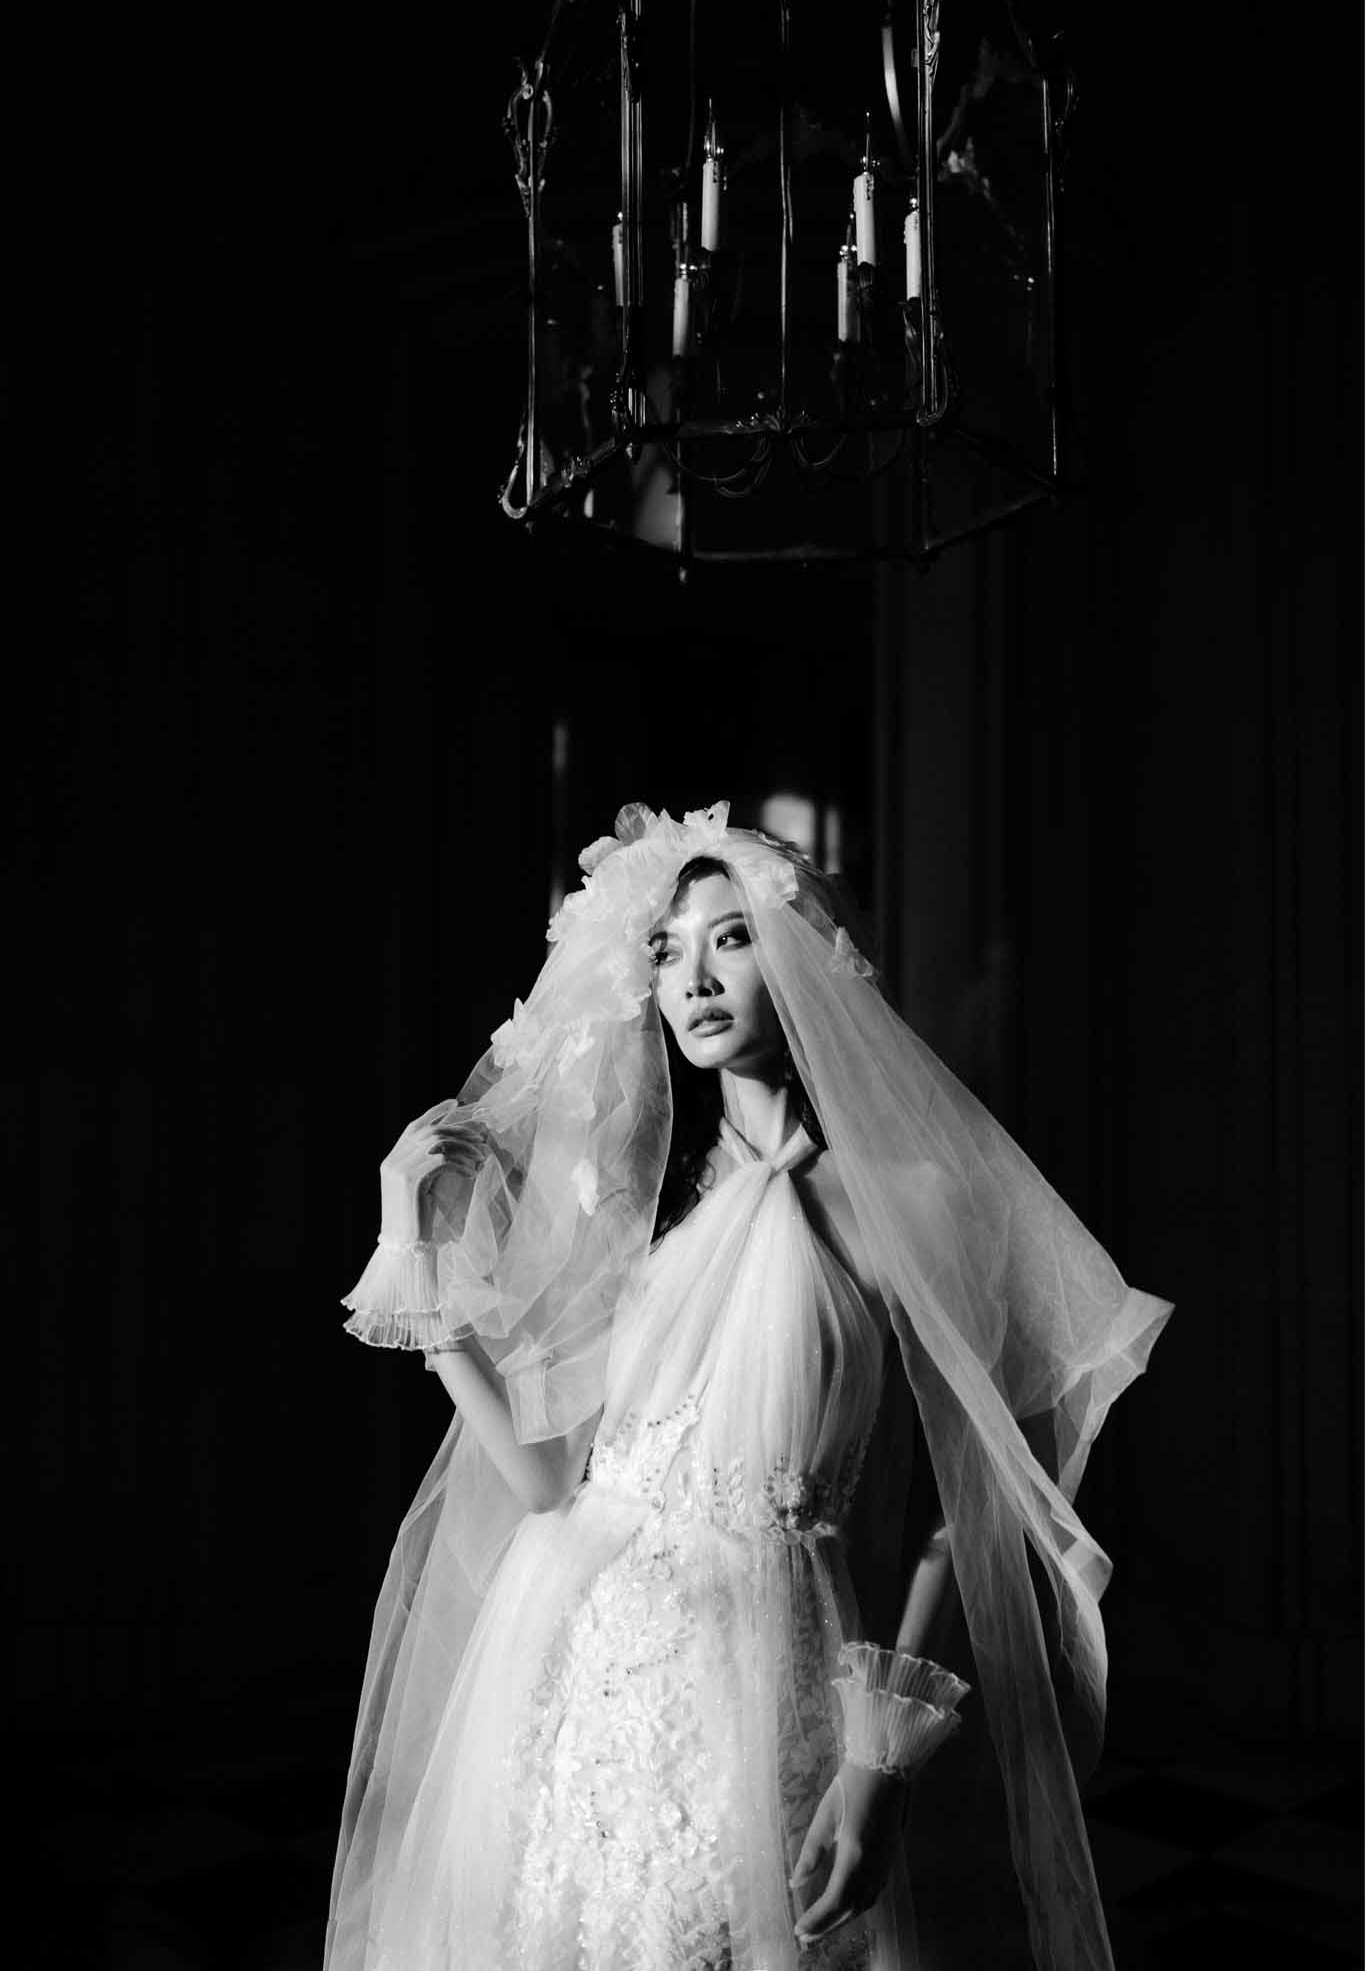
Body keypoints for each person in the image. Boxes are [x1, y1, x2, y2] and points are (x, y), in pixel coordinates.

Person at [325, 801, 1171, 1971]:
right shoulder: (648, 1213)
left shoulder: (901, 1200)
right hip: (576, 1667)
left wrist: (878, 1762)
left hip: (766, 1666)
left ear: (804, 961)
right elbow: (544, 1480)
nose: (696, 978)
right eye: (668, 950)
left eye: (732, 938)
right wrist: (410, 1250)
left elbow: (966, 1495)